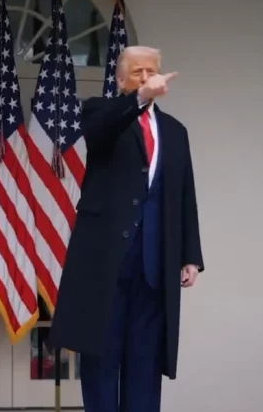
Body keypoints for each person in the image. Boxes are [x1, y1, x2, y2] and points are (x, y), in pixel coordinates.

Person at [49, 46, 204, 412]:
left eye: (152, 71)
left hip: (155, 266)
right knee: (101, 362)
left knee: (145, 365)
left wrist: (190, 256)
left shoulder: (175, 131)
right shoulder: (100, 113)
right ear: (120, 79)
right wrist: (140, 98)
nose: (146, 77)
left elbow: (184, 194)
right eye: (137, 72)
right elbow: (100, 132)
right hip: (106, 265)